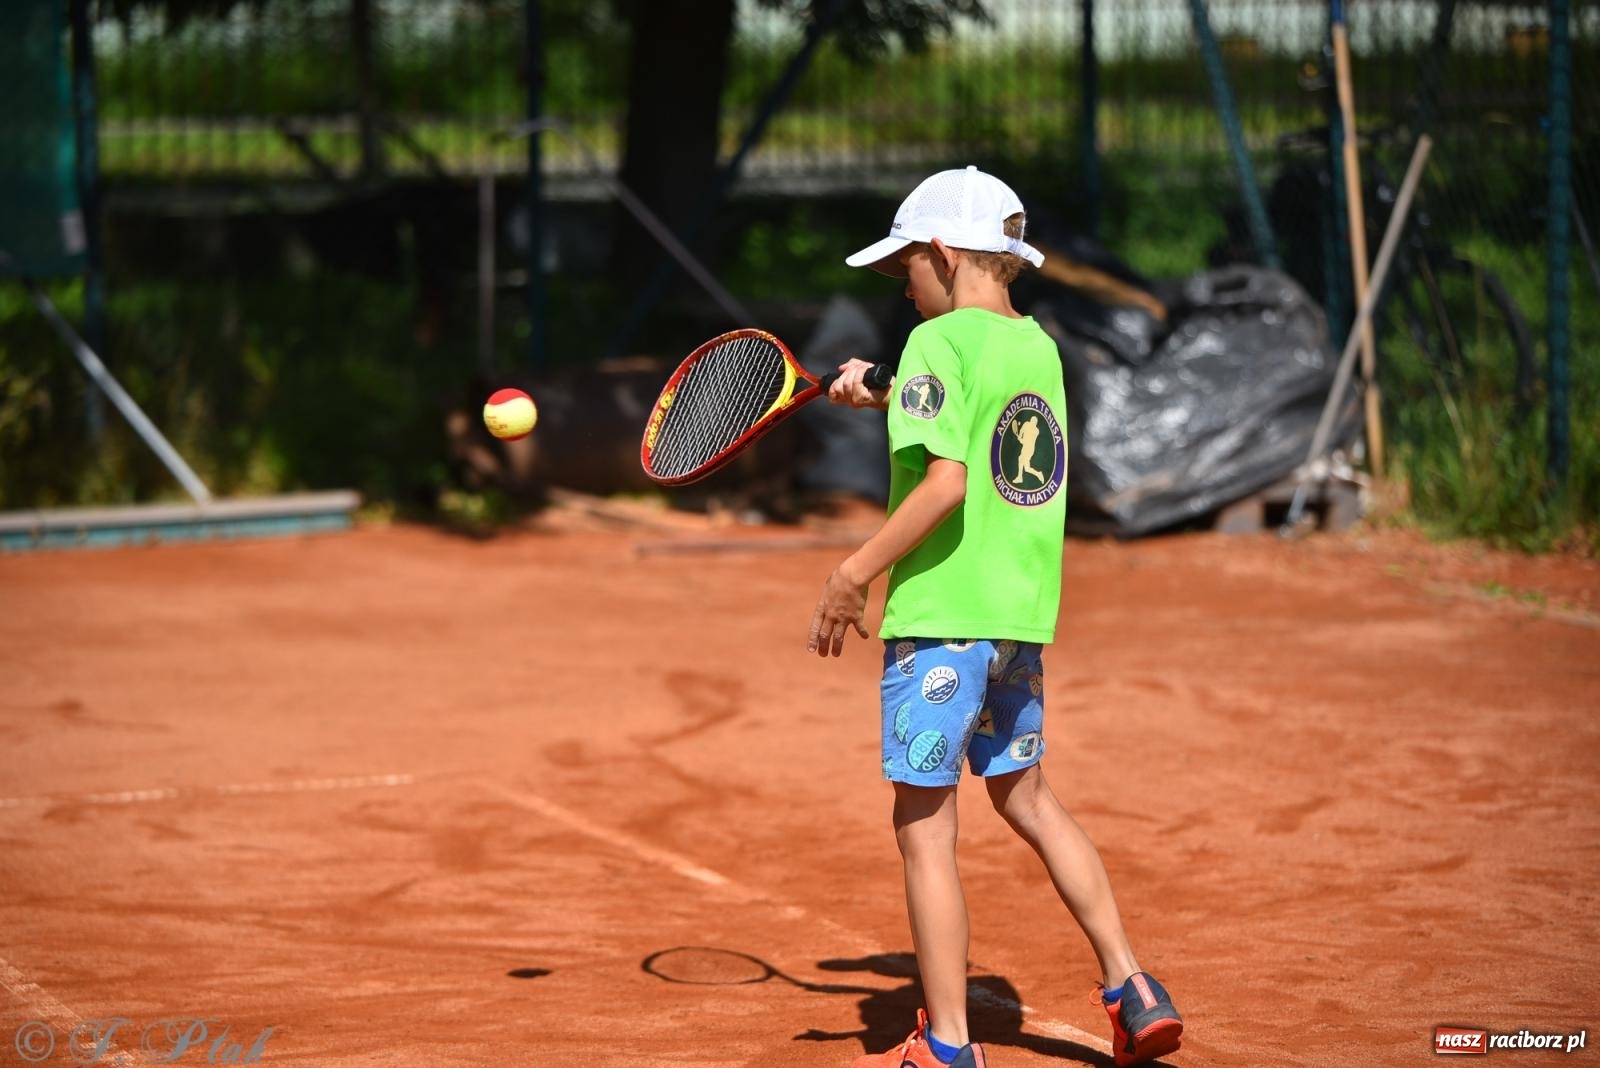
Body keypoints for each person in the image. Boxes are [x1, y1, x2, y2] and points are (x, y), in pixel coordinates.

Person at [806, 166, 1183, 1068]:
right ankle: (1133, 989)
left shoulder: (935, 344)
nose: (902, 287)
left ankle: (946, 1044)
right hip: (1016, 623)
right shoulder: (1038, 346)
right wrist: (885, 392)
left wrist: (854, 572)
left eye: (905, 270)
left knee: (925, 829)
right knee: (1031, 798)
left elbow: (949, 477)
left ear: (941, 253)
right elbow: (978, 422)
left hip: (940, 624)